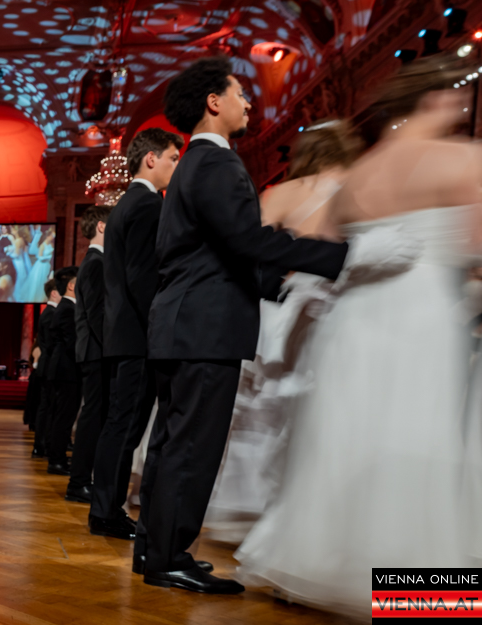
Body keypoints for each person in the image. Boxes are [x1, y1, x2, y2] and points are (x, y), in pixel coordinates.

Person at [137, 56, 420, 595]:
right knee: (192, 446)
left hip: (186, 321)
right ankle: (168, 557)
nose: (248, 102)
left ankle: (157, 550)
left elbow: (220, 246)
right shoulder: (215, 163)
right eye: (239, 93)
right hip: (206, 325)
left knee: (173, 443)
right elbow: (248, 241)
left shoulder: (194, 164)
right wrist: (346, 256)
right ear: (214, 102)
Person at [236, 56, 481, 615]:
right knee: (417, 441)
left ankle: (319, 565)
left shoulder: (358, 175)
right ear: (438, 100)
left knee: (343, 439)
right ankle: (416, 594)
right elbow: (475, 247)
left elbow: (324, 252)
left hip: (351, 319)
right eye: (458, 98)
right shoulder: (464, 159)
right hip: (421, 316)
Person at [205, 119, 360, 543]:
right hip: (338, 302)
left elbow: (252, 252)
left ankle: (251, 503)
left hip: (286, 307)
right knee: (323, 403)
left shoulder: (281, 193)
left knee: (264, 406)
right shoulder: (357, 187)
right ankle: (310, 506)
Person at [89, 128, 183, 541]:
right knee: (124, 427)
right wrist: (162, 327)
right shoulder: (147, 204)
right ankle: (106, 512)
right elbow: (143, 279)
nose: (175, 166)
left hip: (122, 334)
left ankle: (106, 508)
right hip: (138, 336)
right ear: (150, 159)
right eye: (172, 158)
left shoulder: (127, 204)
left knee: (119, 425)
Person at [66, 206, 111, 503]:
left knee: (95, 415)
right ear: (102, 226)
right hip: (97, 351)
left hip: (94, 350)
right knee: (93, 417)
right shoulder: (95, 262)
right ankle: (79, 482)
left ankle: (83, 479)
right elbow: (97, 315)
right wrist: (113, 347)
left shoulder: (94, 261)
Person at [45, 266, 80, 476]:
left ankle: (57, 457)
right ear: (71, 286)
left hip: (64, 370)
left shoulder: (66, 307)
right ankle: (56, 460)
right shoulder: (68, 309)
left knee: (63, 416)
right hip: (66, 370)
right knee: (64, 418)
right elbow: (71, 344)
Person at [31, 280, 59, 458]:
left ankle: (43, 444)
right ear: (54, 293)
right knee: (46, 408)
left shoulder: (50, 312)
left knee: (48, 407)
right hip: (49, 367)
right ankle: (41, 445)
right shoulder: (50, 313)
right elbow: (50, 344)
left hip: (48, 367)